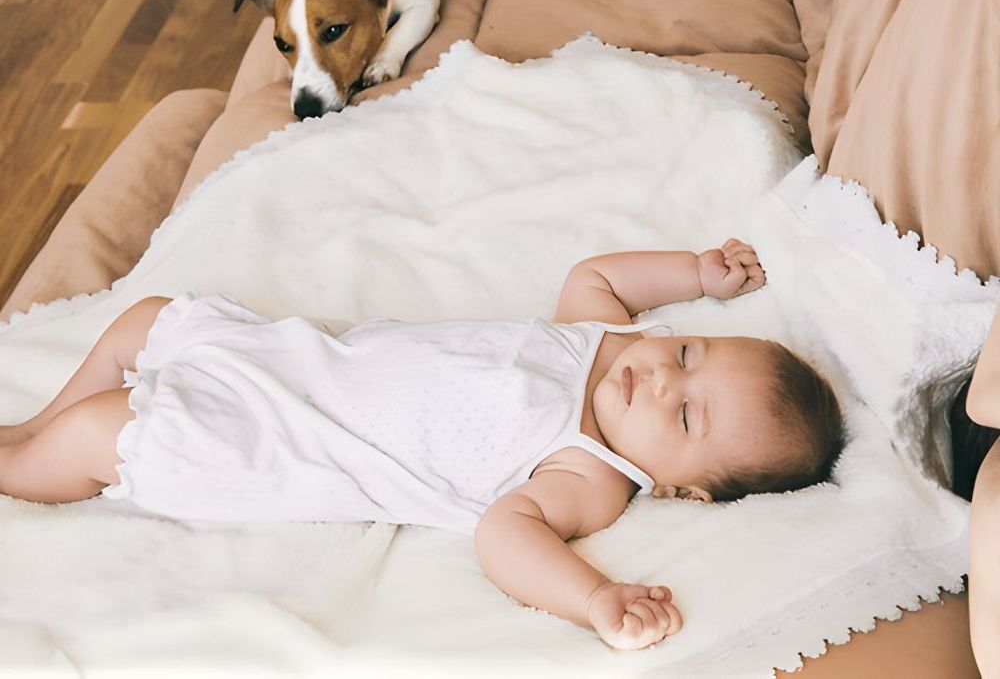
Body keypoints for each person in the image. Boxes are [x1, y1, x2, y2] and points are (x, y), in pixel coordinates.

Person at [0, 239, 844, 650]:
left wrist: (592, 599)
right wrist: (697, 273)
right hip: (291, 360)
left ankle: (26, 458)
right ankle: (30, 432)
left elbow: (504, 534)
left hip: (278, 439)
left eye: (687, 416)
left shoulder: (590, 471)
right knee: (147, 322)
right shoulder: (605, 341)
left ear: (682, 488)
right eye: (688, 353)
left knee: (96, 435)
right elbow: (602, 276)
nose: (661, 379)